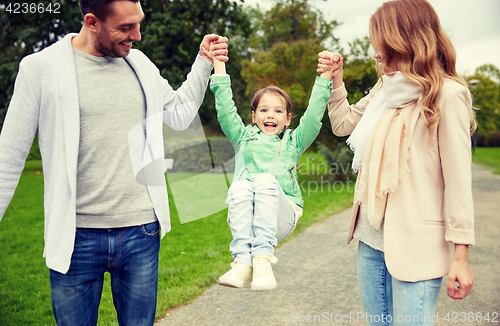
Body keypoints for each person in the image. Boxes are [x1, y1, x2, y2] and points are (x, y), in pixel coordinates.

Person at [0, 0, 228, 325]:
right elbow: (8, 158)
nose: (137, 35)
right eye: (125, 27)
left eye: (138, 23)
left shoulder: (139, 63)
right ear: (92, 22)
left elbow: (179, 114)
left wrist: (203, 61)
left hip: (141, 232)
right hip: (75, 238)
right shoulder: (40, 69)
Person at [317, 0, 475, 324]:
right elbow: (344, 124)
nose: (375, 51)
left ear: (402, 38)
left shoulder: (448, 95)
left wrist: (461, 256)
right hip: (371, 240)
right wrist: (336, 81)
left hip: (417, 246)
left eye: (380, 40)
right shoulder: (385, 88)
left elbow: (459, 185)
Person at [207, 43, 337, 291]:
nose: (270, 115)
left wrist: (326, 76)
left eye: (278, 111)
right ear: (253, 115)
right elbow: (225, 109)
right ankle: (243, 263)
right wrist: (219, 65)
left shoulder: (294, 142)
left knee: (265, 181)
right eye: (264, 110)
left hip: (282, 215)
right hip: (249, 215)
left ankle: (263, 260)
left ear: (288, 119)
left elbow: (313, 115)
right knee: (239, 188)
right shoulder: (242, 137)